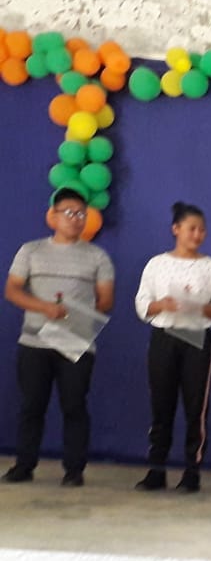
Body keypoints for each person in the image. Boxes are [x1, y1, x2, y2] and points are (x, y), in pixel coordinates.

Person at [2, 188, 114, 486]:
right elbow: (12, 290)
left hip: (76, 343)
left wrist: (78, 311)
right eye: (69, 212)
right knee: (31, 406)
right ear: (53, 216)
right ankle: (24, 465)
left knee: (74, 406)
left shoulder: (97, 256)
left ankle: (74, 470)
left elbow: (106, 301)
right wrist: (44, 307)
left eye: (81, 214)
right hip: (34, 341)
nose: (76, 219)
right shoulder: (31, 250)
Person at [134, 202, 211, 493]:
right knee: (161, 405)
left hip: (197, 339)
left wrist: (200, 307)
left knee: (195, 407)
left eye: (202, 230)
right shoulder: (157, 264)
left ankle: (192, 471)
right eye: (191, 229)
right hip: (165, 335)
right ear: (176, 229)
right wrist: (160, 305)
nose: (197, 234)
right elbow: (142, 304)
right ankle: (156, 469)